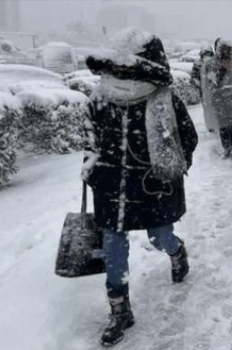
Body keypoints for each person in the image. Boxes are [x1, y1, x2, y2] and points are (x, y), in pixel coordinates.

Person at [83, 28, 198, 347]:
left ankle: (177, 251)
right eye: (117, 67)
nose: (120, 73)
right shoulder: (100, 98)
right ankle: (120, 310)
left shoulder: (165, 99)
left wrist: (171, 165)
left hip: (153, 187)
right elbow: (90, 137)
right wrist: (92, 166)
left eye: (127, 67)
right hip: (111, 187)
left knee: (159, 236)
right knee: (113, 245)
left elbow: (188, 138)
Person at [200, 38, 232, 160]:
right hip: (218, 100)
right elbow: (207, 82)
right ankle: (226, 148)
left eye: (227, 50)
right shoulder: (211, 64)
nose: (225, 52)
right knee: (222, 125)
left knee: (231, 125)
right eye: (222, 49)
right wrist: (216, 87)